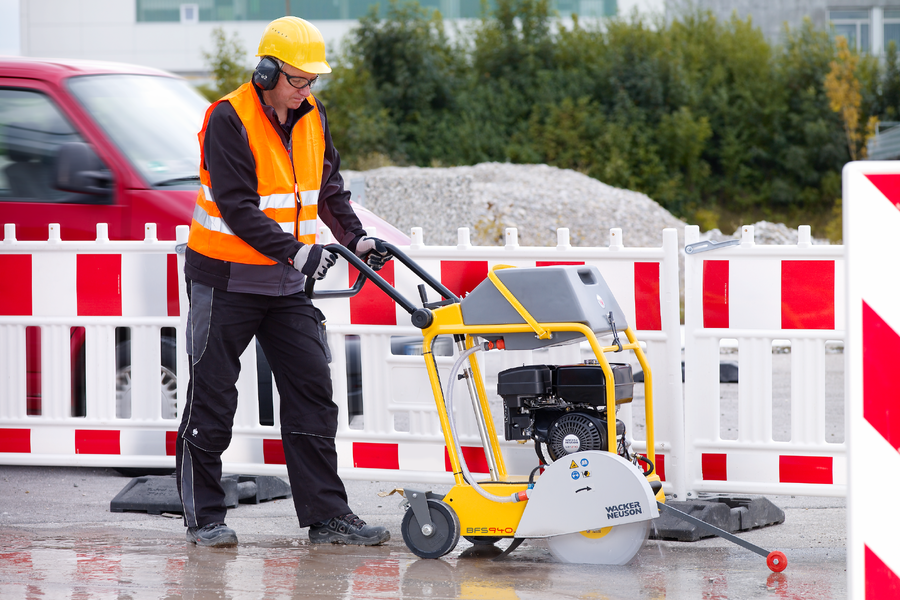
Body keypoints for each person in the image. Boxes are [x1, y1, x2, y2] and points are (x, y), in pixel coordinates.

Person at [176, 16, 392, 548]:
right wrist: (297, 252)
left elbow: (330, 190)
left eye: (311, 82)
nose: (305, 91)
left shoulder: (312, 115)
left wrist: (357, 239)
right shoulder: (228, 119)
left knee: (313, 392)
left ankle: (327, 517)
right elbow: (238, 207)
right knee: (213, 399)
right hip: (224, 281)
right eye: (297, 81)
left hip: (284, 287)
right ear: (267, 72)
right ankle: (204, 517)